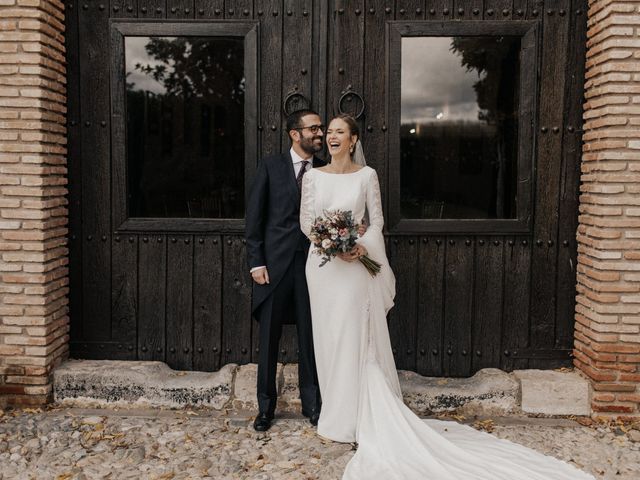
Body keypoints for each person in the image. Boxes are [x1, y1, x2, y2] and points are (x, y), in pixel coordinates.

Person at [300, 114, 595, 479]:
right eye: (328, 132)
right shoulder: (313, 177)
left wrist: (359, 246)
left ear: (353, 139)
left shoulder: (367, 175)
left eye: (338, 132)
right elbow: (306, 221)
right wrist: (332, 243)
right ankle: (335, 416)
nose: (331, 137)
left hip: (358, 267)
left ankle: (357, 417)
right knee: (329, 339)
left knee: (355, 339)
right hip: (325, 268)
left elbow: (376, 222)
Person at [245, 109, 325, 431]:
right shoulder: (270, 167)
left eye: (321, 128)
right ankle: (265, 408)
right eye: (314, 129)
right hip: (273, 267)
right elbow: (254, 219)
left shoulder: (325, 170)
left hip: (313, 268)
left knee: (310, 337)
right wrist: (256, 262)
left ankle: (313, 405)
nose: (320, 134)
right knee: (269, 341)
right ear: (295, 133)